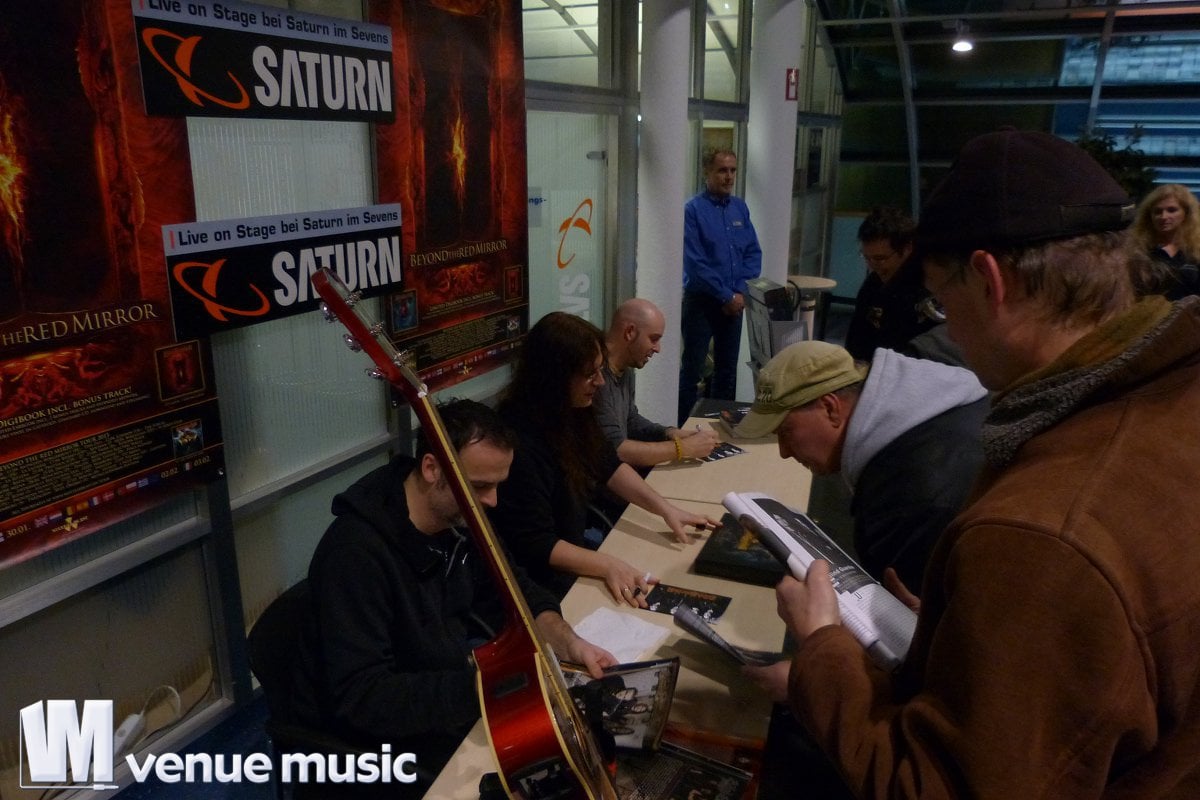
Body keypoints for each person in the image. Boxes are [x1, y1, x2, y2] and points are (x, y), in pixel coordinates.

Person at [756, 130, 1200, 797]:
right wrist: (952, 632)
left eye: (943, 300)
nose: (949, 331)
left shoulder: (1039, 535)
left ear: (990, 281)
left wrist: (821, 645)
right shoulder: (1173, 401)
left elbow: (934, 786)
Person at [292, 399, 617, 793]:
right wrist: (484, 689)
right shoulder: (355, 555)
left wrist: (568, 642)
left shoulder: (460, 519)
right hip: (389, 740)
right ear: (432, 469)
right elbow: (364, 698)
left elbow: (516, 591)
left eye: (498, 485)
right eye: (479, 486)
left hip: (447, 697)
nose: (493, 501)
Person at [490, 311, 719, 602]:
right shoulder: (517, 440)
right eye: (590, 374)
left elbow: (607, 463)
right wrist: (608, 564)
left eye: (600, 370)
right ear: (554, 377)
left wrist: (666, 510)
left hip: (574, 557)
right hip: (546, 583)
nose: (600, 382)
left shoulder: (573, 409)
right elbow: (536, 543)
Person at [734, 339, 988, 589]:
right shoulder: (936, 408)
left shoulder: (908, 496)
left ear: (830, 408)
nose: (784, 452)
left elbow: (901, 612)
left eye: (786, 432)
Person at [678, 149, 762, 425]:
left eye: (732, 170)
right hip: (701, 302)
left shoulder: (740, 208)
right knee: (692, 370)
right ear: (707, 172)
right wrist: (727, 295)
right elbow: (695, 263)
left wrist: (739, 293)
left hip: (734, 303)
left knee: (727, 371)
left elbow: (752, 253)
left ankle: (720, 428)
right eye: (722, 170)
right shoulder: (692, 210)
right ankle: (683, 427)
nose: (728, 177)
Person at [594, 298, 719, 468]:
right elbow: (615, 449)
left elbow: (631, 420)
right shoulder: (596, 379)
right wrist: (682, 447)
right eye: (653, 339)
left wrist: (671, 433)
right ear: (630, 332)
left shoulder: (623, 368)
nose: (658, 348)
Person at [843, 206, 940, 362]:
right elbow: (855, 340)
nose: (872, 266)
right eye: (867, 258)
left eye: (880, 258)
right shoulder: (874, 283)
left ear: (908, 249)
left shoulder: (931, 287)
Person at [1130, 183, 1200, 300]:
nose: (1163, 216)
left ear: (1186, 213)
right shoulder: (1138, 250)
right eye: (1157, 212)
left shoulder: (1196, 248)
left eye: (1172, 210)